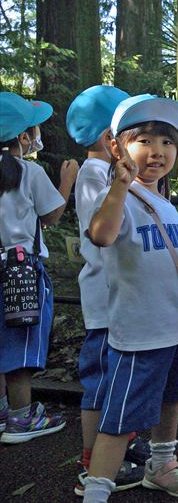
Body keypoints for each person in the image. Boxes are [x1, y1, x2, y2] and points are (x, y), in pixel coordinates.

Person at [81, 95, 178, 501]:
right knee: (119, 418)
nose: (158, 152)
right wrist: (119, 184)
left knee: (172, 397)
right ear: (117, 146)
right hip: (140, 331)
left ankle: (162, 463)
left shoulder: (163, 203)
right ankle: (97, 491)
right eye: (145, 140)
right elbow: (101, 234)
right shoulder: (123, 196)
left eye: (168, 142)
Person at [66, 85, 151, 494]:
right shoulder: (96, 174)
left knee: (115, 377)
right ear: (110, 140)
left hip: (116, 293)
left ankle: (121, 446)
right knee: (100, 380)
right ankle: (91, 462)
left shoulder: (102, 172)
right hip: (105, 295)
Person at [0, 93, 76, 443]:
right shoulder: (29, 171)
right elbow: (52, 215)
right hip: (21, 270)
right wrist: (67, 182)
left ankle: (3, 410)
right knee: (20, 343)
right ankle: (21, 418)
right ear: (21, 137)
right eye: (31, 130)